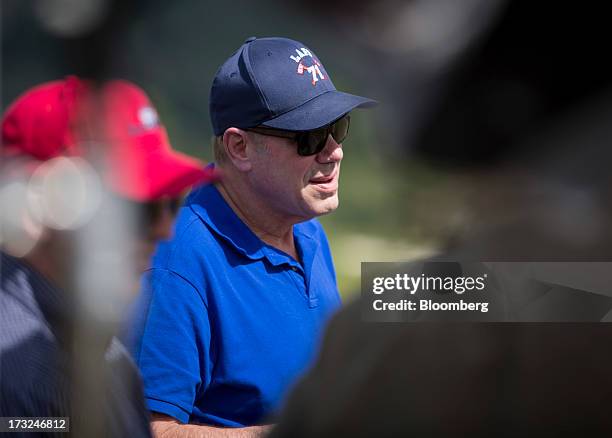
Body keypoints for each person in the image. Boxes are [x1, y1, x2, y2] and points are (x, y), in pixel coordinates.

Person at [124, 36, 376, 436]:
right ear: (239, 147)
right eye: (308, 136)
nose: (333, 152)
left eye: (337, 128)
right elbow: (147, 430)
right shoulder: (179, 263)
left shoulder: (304, 224)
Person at [0, 76, 215, 437]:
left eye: (172, 202)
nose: (165, 229)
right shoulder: (16, 368)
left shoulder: (96, 341)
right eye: (141, 207)